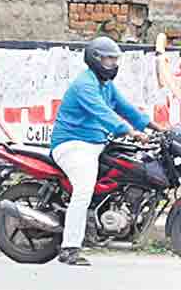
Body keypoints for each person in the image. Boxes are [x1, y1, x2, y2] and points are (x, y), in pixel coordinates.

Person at [50, 36, 166, 267]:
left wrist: (156, 127)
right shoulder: (85, 85)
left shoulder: (105, 84)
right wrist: (131, 132)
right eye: (108, 59)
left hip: (97, 143)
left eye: (115, 59)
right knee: (83, 189)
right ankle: (70, 247)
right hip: (73, 145)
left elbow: (126, 108)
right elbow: (103, 113)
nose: (113, 64)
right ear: (95, 60)